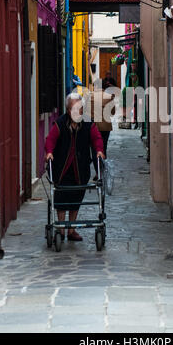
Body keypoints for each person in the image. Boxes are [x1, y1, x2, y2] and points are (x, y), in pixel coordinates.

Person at [45, 93, 105, 241]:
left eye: (79, 108)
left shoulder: (88, 124)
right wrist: (50, 153)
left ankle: (71, 229)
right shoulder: (60, 123)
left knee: (76, 197)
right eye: (73, 108)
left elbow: (97, 137)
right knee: (61, 197)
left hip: (80, 168)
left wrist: (99, 150)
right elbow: (50, 139)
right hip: (62, 169)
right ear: (67, 109)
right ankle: (60, 228)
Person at [88, 79, 116, 180]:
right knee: (103, 148)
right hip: (105, 127)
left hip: (94, 127)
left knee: (95, 150)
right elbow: (113, 112)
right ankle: (103, 170)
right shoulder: (109, 97)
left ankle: (98, 172)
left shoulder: (89, 96)